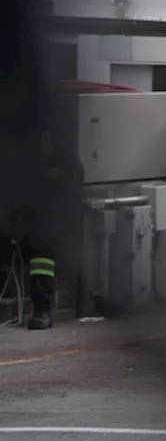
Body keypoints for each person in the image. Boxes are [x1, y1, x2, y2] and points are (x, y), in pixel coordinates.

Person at [3, 130, 84, 330]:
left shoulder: (66, 162)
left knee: (42, 252)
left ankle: (43, 310)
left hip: (56, 223)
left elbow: (69, 192)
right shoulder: (30, 164)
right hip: (33, 221)